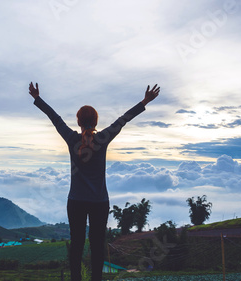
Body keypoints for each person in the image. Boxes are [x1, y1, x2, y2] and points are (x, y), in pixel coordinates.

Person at [28, 82, 160, 281]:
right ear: (96, 121)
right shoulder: (103, 139)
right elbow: (123, 120)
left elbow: (55, 119)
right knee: (98, 246)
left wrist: (37, 98)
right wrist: (145, 101)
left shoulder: (72, 139)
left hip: (76, 202)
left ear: (78, 121)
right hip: (99, 202)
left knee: (77, 245)